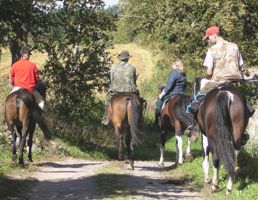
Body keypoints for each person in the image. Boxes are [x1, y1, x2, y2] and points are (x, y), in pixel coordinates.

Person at [190, 26, 255, 116]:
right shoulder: (234, 46)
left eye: (208, 38)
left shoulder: (212, 50)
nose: (208, 40)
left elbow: (209, 72)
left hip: (218, 80)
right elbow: (240, 66)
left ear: (214, 36)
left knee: (197, 100)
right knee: (243, 101)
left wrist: (210, 76)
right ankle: (249, 108)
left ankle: (192, 120)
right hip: (234, 80)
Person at [101, 50, 139, 125]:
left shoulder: (114, 67)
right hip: (130, 90)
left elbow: (112, 79)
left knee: (107, 100)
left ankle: (105, 118)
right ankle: (139, 118)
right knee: (138, 100)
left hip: (115, 90)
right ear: (127, 58)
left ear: (120, 58)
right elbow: (134, 80)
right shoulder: (132, 67)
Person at [154, 59, 187, 125]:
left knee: (159, 102)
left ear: (176, 65)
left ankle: (156, 121)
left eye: (173, 64)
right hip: (181, 94)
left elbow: (169, 86)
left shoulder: (174, 73)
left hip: (172, 93)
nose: (172, 66)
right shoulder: (184, 73)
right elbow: (184, 85)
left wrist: (162, 94)